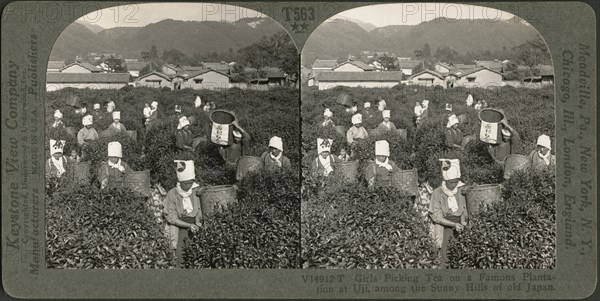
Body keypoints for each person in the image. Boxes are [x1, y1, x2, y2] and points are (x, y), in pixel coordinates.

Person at [429, 159, 468, 269]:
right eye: (451, 182)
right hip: (446, 224)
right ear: (445, 180)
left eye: (456, 181)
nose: (454, 184)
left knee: (463, 251)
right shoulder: (437, 193)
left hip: (462, 221)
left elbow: (466, 208)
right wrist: (454, 225)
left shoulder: (462, 190)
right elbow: (436, 216)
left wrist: (463, 221)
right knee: (445, 251)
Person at [164, 160, 203, 265]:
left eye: (191, 183)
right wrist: (189, 225)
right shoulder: (172, 194)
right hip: (180, 227)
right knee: (180, 254)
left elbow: (200, 209)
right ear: (180, 182)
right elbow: (171, 217)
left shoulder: (196, 192)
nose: (189, 186)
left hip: (196, 225)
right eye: (186, 183)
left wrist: (197, 222)